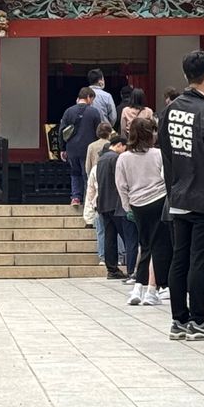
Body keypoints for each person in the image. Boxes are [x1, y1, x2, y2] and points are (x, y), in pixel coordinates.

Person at [158, 50, 204, 341]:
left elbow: (166, 151)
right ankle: (199, 319)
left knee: (180, 259)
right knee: (200, 261)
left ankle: (179, 320)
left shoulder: (170, 110)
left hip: (177, 195)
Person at [115, 114, 170, 307]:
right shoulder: (158, 154)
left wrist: (127, 205)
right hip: (158, 199)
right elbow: (166, 178)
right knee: (158, 246)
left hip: (137, 204)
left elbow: (121, 185)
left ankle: (139, 286)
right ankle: (151, 289)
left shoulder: (123, 158)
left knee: (145, 244)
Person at [96, 134, 136, 280]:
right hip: (116, 203)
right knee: (128, 237)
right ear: (119, 145)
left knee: (109, 237)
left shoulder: (101, 159)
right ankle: (132, 268)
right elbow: (121, 181)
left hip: (103, 203)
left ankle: (112, 269)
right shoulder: (116, 158)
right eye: (125, 147)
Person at [60, 87, 101, 207]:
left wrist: (63, 148)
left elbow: (62, 131)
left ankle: (75, 197)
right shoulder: (94, 112)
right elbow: (98, 131)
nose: (92, 102)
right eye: (92, 99)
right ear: (88, 97)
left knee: (74, 172)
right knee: (87, 173)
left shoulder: (68, 111)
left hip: (72, 148)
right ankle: (88, 199)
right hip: (88, 148)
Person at [85, 122, 114, 262]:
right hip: (111, 184)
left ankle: (102, 256)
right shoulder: (113, 145)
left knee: (101, 230)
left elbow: (87, 166)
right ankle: (119, 256)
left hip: (96, 177)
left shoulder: (91, 146)